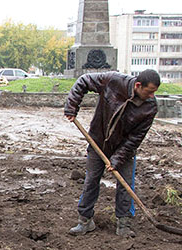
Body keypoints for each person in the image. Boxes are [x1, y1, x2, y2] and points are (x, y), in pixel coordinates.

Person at [64, 70, 161, 238]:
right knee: (91, 180)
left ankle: (123, 224)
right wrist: (72, 106)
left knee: (125, 185)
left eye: (154, 92)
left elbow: (135, 138)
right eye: (149, 91)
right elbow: (83, 81)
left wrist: (116, 159)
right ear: (138, 85)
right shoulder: (113, 81)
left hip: (124, 148)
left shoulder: (150, 107)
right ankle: (85, 221)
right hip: (98, 141)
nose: (152, 96)